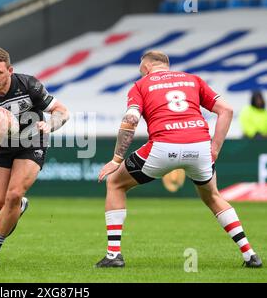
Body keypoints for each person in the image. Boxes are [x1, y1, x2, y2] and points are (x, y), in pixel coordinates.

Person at [95, 50, 262, 268]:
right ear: (167, 65)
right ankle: (250, 254)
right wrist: (215, 149)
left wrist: (117, 159)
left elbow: (131, 118)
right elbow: (227, 110)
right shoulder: (193, 80)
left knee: (115, 183)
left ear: (146, 68)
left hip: (163, 147)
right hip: (199, 147)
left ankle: (113, 256)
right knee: (212, 195)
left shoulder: (141, 85)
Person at [0, 47, 69, 265]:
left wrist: (51, 124)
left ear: (10, 70)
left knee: (13, 195)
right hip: (2, 146)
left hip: (32, 141)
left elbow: (63, 111)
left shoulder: (28, 85)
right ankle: (19, 205)